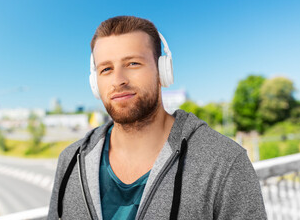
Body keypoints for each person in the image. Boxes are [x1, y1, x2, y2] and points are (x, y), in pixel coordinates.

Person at [48, 16, 267, 220]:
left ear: (163, 72)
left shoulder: (224, 163)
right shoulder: (71, 161)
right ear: (95, 83)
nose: (118, 80)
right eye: (106, 69)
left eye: (133, 63)